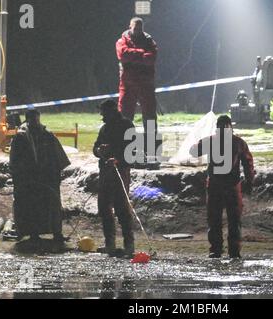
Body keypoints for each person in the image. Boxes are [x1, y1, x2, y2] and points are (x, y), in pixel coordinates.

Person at [189, 115, 256, 259]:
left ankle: (216, 250)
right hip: (232, 187)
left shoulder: (211, 141)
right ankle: (234, 251)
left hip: (215, 186)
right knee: (234, 220)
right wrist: (249, 182)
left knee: (215, 220)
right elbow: (248, 164)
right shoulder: (239, 143)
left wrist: (199, 140)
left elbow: (193, 151)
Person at [9, 109, 70, 246]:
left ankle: (56, 232)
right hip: (29, 180)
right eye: (33, 120)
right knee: (30, 206)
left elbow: (59, 158)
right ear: (28, 120)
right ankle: (33, 233)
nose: (36, 122)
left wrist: (55, 175)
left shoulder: (48, 136)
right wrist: (22, 177)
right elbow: (15, 162)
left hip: (47, 178)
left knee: (52, 205)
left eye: (37, 119)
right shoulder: (21, 137)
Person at [93, 100, 135, 258]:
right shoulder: (104, 128)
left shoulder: (127, 125)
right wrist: (99, 150)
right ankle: (110, 244)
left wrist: (118, 159)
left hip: (120, 171)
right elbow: (95, 147)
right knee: (104, 207)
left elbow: (132, 150)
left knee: (121, 208)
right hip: (105, 172)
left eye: (103, 112)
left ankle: (129, 245)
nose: (101, 115)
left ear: (111, 111)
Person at [116, 17, 160, 158]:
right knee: (124, 117)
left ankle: (151, 153)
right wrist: (142, 54)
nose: (138, 31)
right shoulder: (121, 41)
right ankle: (124, 150)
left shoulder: (149, 41)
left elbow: (152, 58)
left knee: (150, 118)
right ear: (130, 27)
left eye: (140, 29)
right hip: (128, 85)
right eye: (135, 28)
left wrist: (133, 54)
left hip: (146, 84)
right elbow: (123, 55)